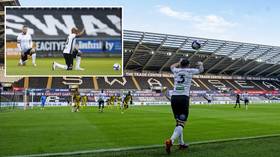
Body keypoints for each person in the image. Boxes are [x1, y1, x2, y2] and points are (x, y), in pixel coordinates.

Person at [165, 58, 204, 154]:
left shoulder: (176, 70)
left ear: (181, 64)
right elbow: (201, 70)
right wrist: (200, 64)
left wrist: (178, 62)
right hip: (183, 98)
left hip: (174, 97)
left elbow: (171, 66)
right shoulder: (190, 71)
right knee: (182, 123)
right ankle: (171, 140)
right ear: (189, 64)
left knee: (178, 122)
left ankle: (181, 143)